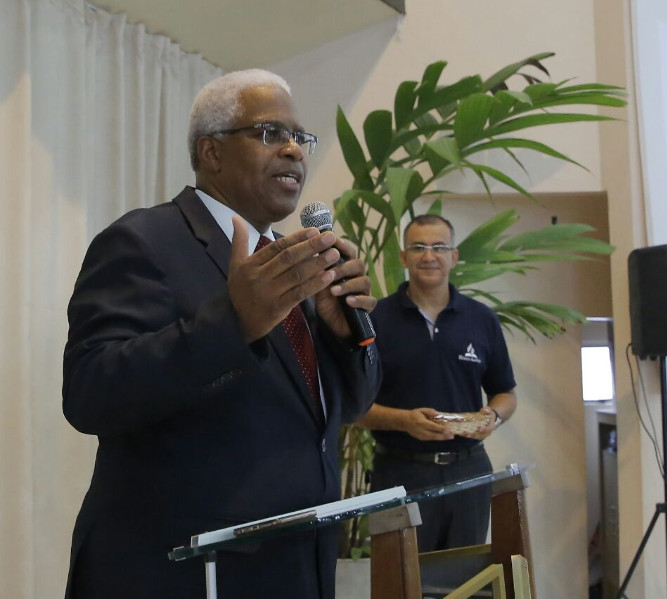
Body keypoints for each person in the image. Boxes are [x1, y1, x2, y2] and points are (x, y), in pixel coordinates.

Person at [62, 69, 380, 599]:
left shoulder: (291, 261)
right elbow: (91, 393)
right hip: (182, 572)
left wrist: (347, 336)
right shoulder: (142, 241)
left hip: (294, 566)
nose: (295, 152)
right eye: (270, 134)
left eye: (300, 139)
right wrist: (234, 322)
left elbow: (340, 412)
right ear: (211, 152)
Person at [355, 214, 517, 552]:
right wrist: (404, 421)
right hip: (398, 473)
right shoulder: (375, 320)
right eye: (418, 247)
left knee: (464, 582)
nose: (429, 256)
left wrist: (493, 417)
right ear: (404, 257)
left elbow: (506, 393)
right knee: (399, 582)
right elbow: (355, 406)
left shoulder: (481, 319)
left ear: (454, 257)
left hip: (469, 471)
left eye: (439, 247)